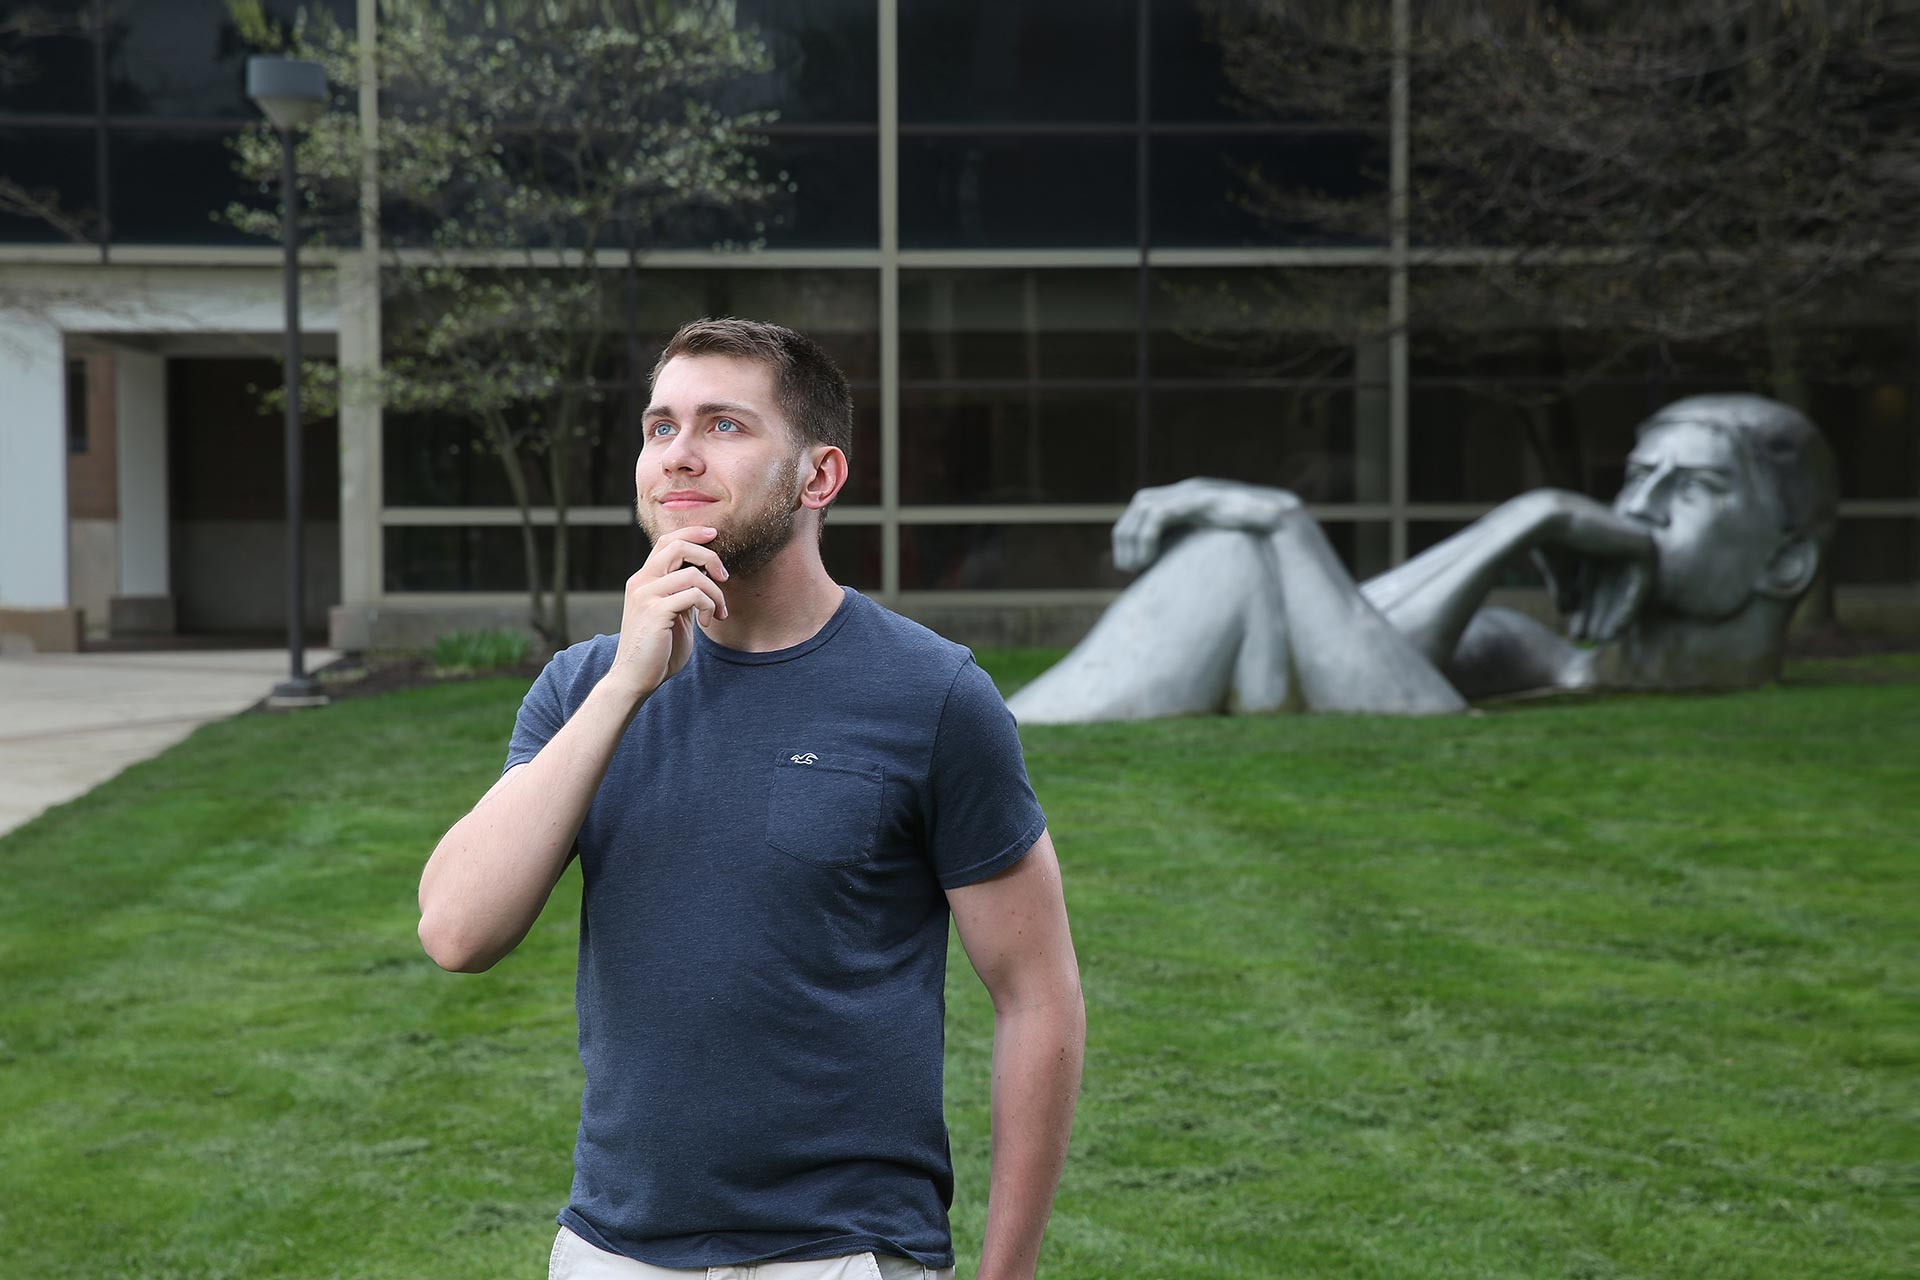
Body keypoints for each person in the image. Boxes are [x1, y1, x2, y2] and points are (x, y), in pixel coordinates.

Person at [418, 318, 1085, 1280]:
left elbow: (1037, 995)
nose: (678, 455)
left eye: (724, 425)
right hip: (613, 1250)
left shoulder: (932, 695)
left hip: (845, 1254)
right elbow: (456, 932)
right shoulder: (582, 688)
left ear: (819, 476)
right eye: (660, 427)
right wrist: (626, 685)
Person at [1007, 394, 1837, 722]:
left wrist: (1529, 517)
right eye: (1638, 476)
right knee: (1235, 551)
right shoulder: (1525, 646)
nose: (1639, 507)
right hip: (1259, 654)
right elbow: (1348, 636)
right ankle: (1004, 736)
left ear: (1786, 563)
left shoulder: (1539, 659)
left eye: (1693, 487)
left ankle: (1003, 737)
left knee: (1249, 540)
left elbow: (1401, 714)